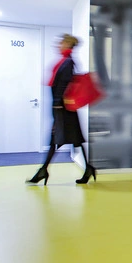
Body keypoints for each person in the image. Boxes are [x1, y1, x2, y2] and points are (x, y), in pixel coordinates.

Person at [26, 34, 96, 185]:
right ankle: (88, 169)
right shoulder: (65, 62)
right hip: (65, 109)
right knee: (72, 139)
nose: (58, 45)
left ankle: (43, 171)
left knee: (57, 139)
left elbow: (64, 84)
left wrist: (57, 104)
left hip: (63, 109)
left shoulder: (68, 62)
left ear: (67, 45)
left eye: (61, 43)